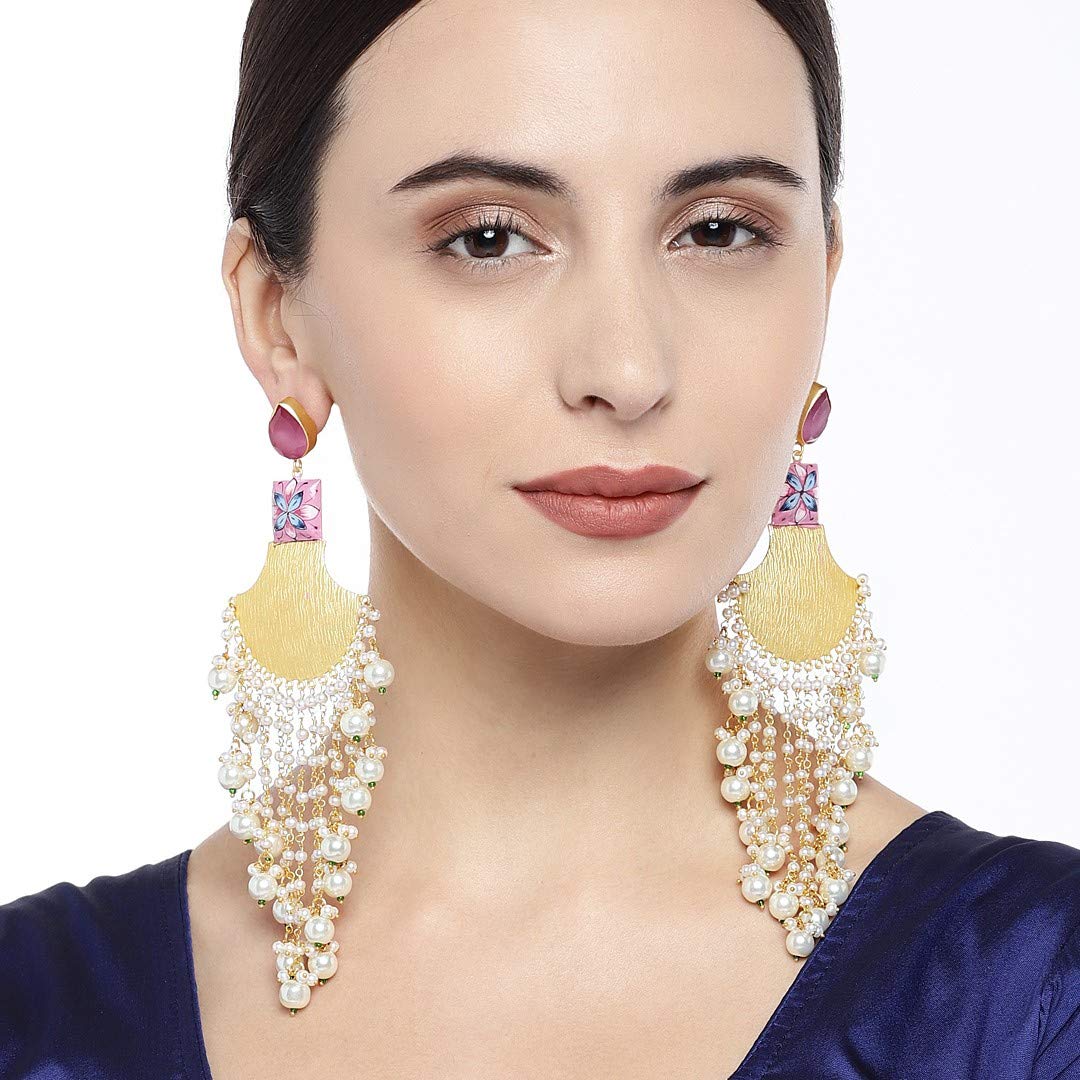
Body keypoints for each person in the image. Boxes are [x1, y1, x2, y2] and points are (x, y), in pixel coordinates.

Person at [2, 1, 1078, 1077]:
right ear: (275, 312)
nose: (627, 370)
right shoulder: (38, 1021)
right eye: (489, 238)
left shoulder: (1029, 994)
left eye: (718, 231)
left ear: (824, 279)